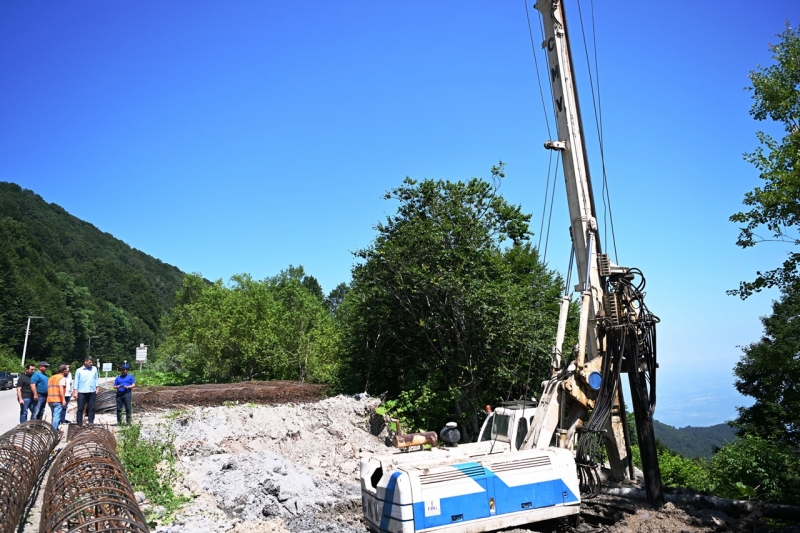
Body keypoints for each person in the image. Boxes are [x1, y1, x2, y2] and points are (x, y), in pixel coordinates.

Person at [74, 356, 99, 426]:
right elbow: (76, 381)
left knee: (92, 407)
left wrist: (97, 387)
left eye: (92, 362)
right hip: (82, 391)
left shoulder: (94, 369)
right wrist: (75, 391)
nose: (91, 363)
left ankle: (90, 422)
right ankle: (79, 423)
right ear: (85, 362)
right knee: (80, 408)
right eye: (90, 362)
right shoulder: (79, 370)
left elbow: (96, 379)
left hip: (92, 391)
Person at [46, 365, 68, 430]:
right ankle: (54, 431)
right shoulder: (62, 378)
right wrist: (63, 400)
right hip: (57, 400)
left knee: (53, 415)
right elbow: (61, 389)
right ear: (64, 371)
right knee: (57, 416)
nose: (67, 371)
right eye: (66, 370)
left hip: (50, 400)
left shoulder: (51, 378)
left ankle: (55, 429)